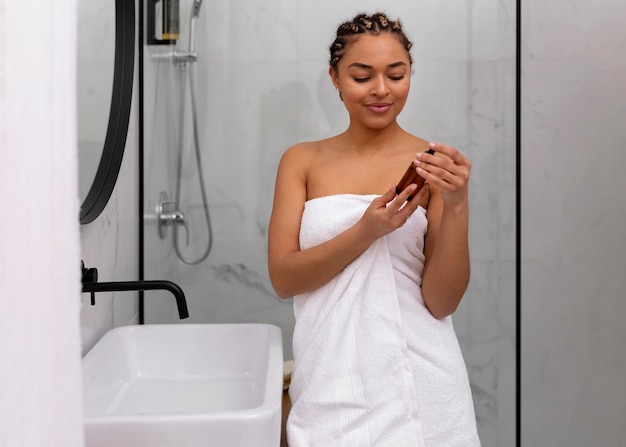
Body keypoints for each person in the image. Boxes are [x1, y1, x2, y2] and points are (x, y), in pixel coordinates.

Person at [267, 11, 480, 447]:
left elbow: (441, 302)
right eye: (362, 76)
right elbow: (283, 279)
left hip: (421, 384)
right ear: (335, 78)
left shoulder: (429, 166)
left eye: (396, 75)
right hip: (331, 380)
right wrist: (367, 230)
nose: (382, 90)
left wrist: (457, 205)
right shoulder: (302, 161)